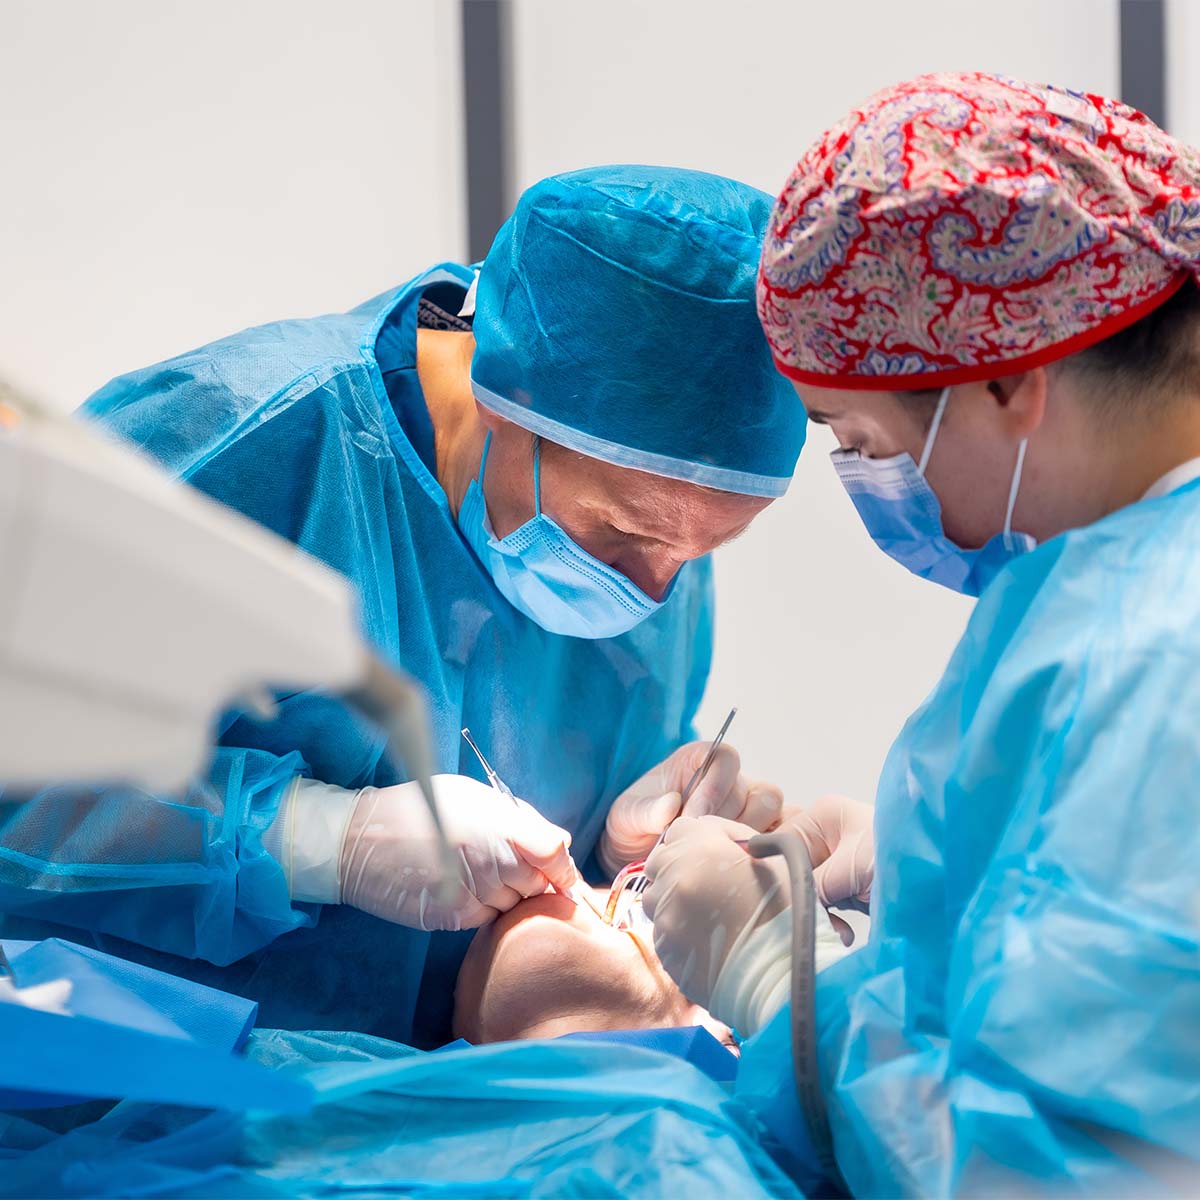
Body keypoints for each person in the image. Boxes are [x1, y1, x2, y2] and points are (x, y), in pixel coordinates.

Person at [0, 166, 812, 1045]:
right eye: (619, 533)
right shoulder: (244, 446)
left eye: (702, 552)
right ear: (501, 398)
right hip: (131, 1098)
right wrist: (319, 839)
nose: (655, 588)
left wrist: (626, 850)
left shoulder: (663, 512)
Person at [644, 74, 1200, 1195]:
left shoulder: (1150, 653)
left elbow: (1057, 1170)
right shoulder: (1128, 597)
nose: (870, 484)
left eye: (857, 435)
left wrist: (769, 979)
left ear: (1006, 380)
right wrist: (921, 872)